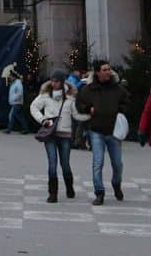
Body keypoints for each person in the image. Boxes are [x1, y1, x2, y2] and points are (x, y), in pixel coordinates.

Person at [30, 71, 88, 203]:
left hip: (65, 135)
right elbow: (33, 107)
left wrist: (89, 116)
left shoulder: (70, 97)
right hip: (50, 134)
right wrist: (43, 120)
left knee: (65, 164)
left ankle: (69, 187)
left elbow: (76, 115)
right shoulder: (45, 95)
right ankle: (53, 193)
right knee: (52, 163)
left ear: (62, 82)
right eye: (52, 80)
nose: (53, 83)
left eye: (56, 81)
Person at [77, 61, 130, 205]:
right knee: (98, 163)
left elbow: (127, 102)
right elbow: (79, 104)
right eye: (105, 69)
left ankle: (116, 184)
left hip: (114, 131)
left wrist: (120, 111)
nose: (108, 72)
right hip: (96, 131)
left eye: (109, 69)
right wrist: (88, 109)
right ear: (97, 72)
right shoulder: (88, 89)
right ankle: (99, 192)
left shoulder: (118, 88)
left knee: (117, 164)